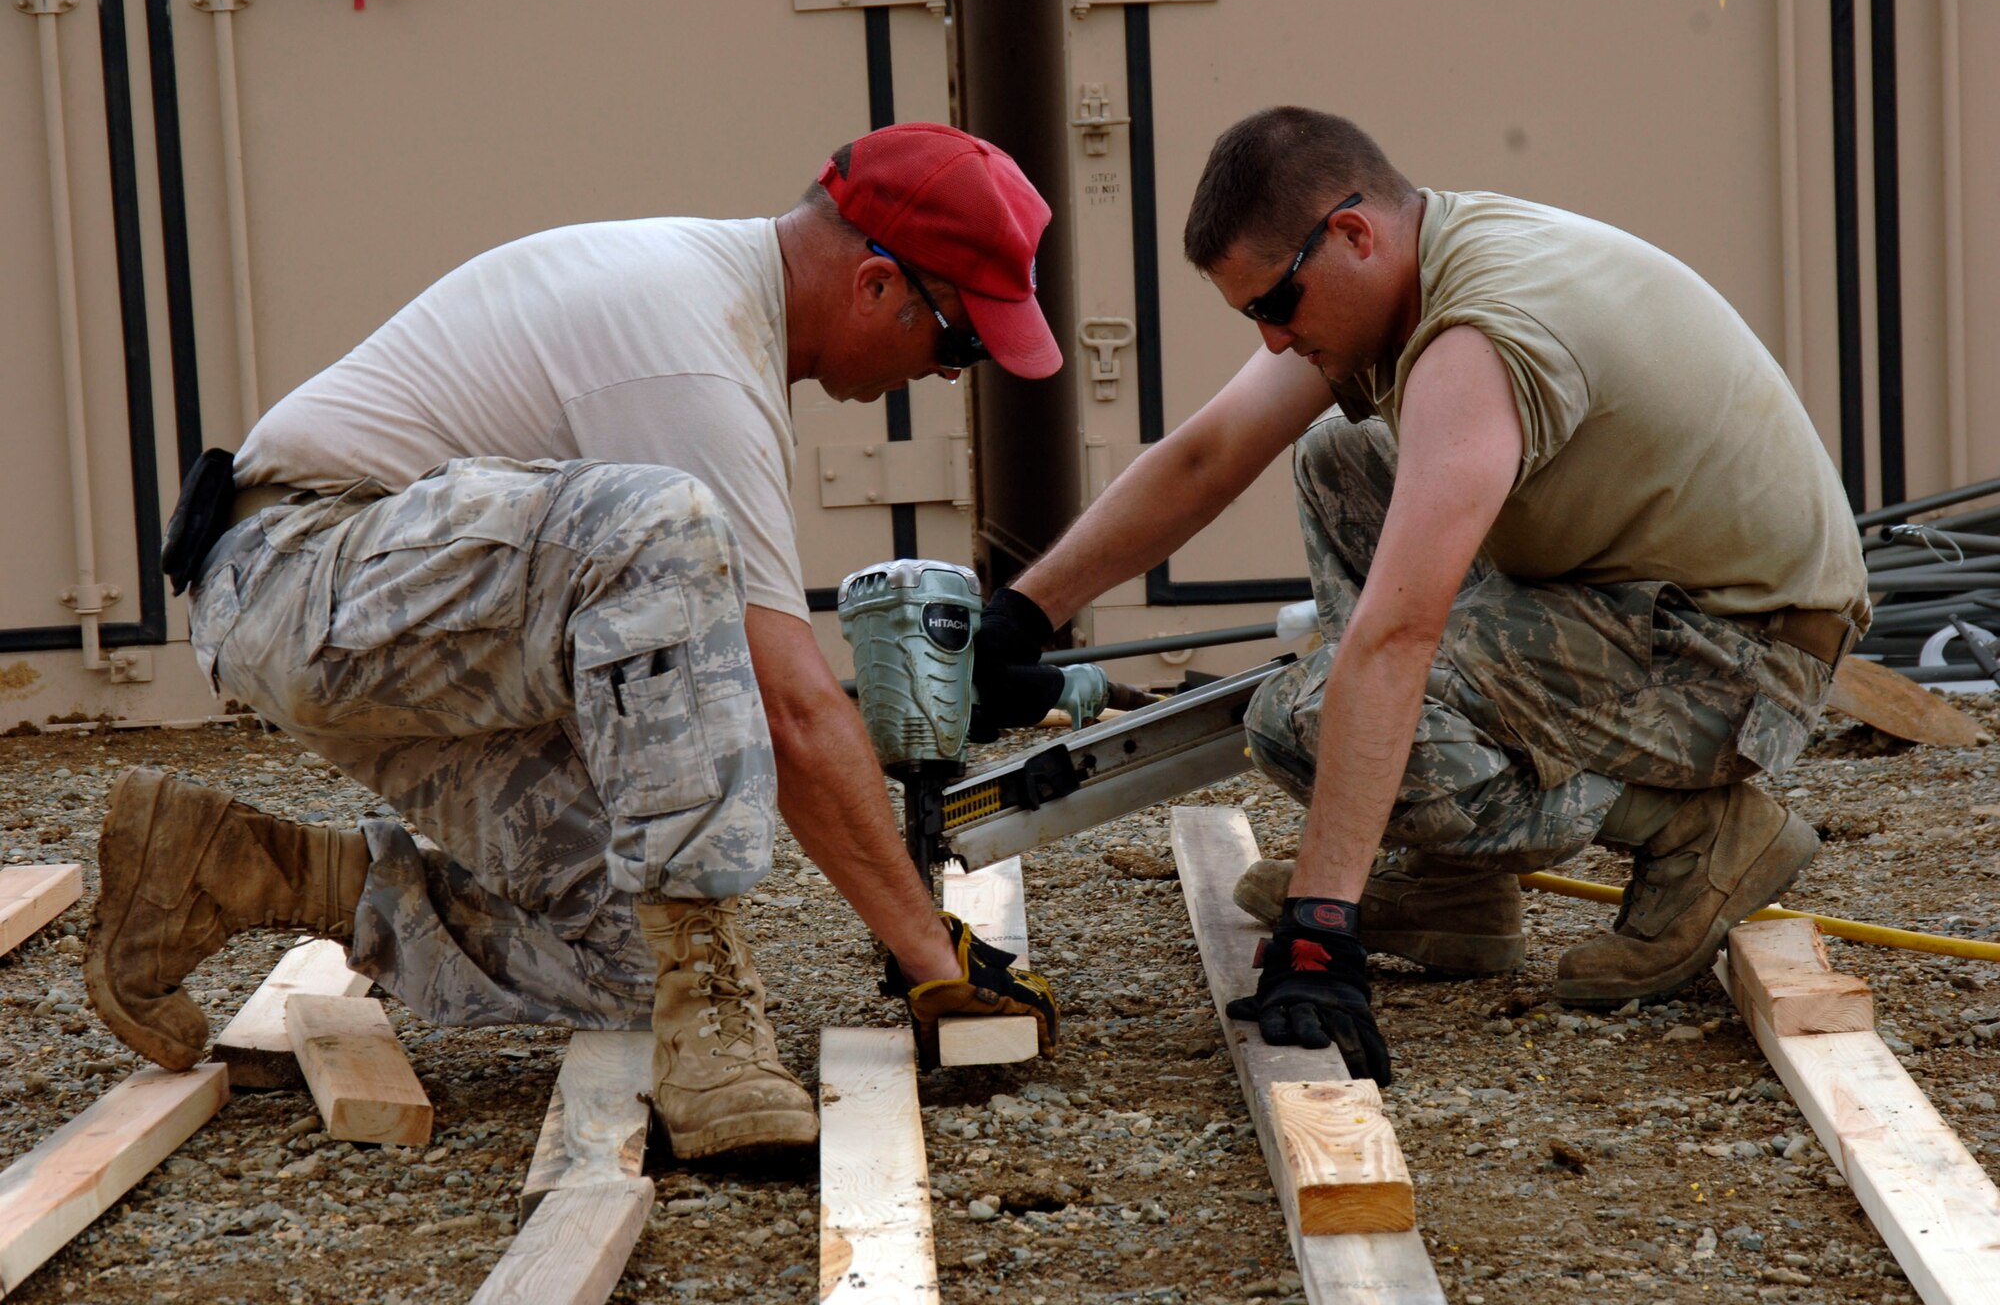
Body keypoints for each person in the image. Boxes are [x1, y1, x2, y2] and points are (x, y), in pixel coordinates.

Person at [85, 122, 1061, 1159]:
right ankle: (715, 1049)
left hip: (386, 615)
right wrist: (931, 955)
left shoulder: (717, 313)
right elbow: (791, 709)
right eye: (957, 341)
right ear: (875, 285)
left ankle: (241, 868)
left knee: (626, 963)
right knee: (667, 530)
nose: (951, 374)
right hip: (297, 572)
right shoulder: (693, 355)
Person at [971, 107, 1867, 1086]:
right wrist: (1021, 613)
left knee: (1304, 719)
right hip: (1640, 592)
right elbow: (1204, 454)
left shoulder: (1476, 337)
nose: (1270, 338)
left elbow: (1395, 636)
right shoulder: (1411, 267)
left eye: (1277, 302)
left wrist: (1318, 929)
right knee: (1339, 458)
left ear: (1351, 233)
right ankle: (1455, 885)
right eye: (1249, 317)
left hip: (1735, 658)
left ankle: (1696, 833)